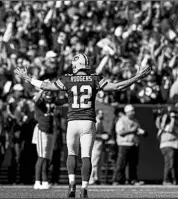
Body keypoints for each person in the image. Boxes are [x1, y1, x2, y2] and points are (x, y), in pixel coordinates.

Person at [15, 53, 151, 198]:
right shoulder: (94, 78)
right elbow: (118, 86)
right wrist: (136, 78)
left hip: (73, 122)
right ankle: (84, 188)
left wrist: (28, 78)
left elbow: (46, 86)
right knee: (86, 157)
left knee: (72, 154)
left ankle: (72, 182)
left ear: (75, 65)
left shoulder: (67, 78)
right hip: (88, 121)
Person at [32, 89, 65, 190]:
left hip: (50, 131)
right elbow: (35, 99)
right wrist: (42, 89)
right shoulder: (40, 102)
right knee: (41, 157)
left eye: (51, 93)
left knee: (47, 158)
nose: (50, 95)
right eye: (48, 93)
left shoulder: (52, 102)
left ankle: (45, 181)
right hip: (41, 130)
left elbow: (64, 100)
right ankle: (37, 181)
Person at [112, 104, 146, 186]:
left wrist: (141, 132)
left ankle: (133, 180)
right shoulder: (121, 120)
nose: (133, 113)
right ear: (127, 112)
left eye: (133, 111)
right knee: (121, 163)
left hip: (133, 144)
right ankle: (117, 180)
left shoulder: (135, 120)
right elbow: (120, 132)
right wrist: (132, 130)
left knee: (133, 164)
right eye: (131, 111)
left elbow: (137, 130)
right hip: (124, 144)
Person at [89, 109, 108, 185]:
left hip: (99, 145)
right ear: (97, 114)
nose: (102, 115)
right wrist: (102, 136)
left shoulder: (100, 122)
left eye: (103, 113)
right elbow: (92, 135)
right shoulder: (96, 122)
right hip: (95, 145)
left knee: (99, 163)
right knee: (94, 162)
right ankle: (90, 179)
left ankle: (97, 178)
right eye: (101, 113)